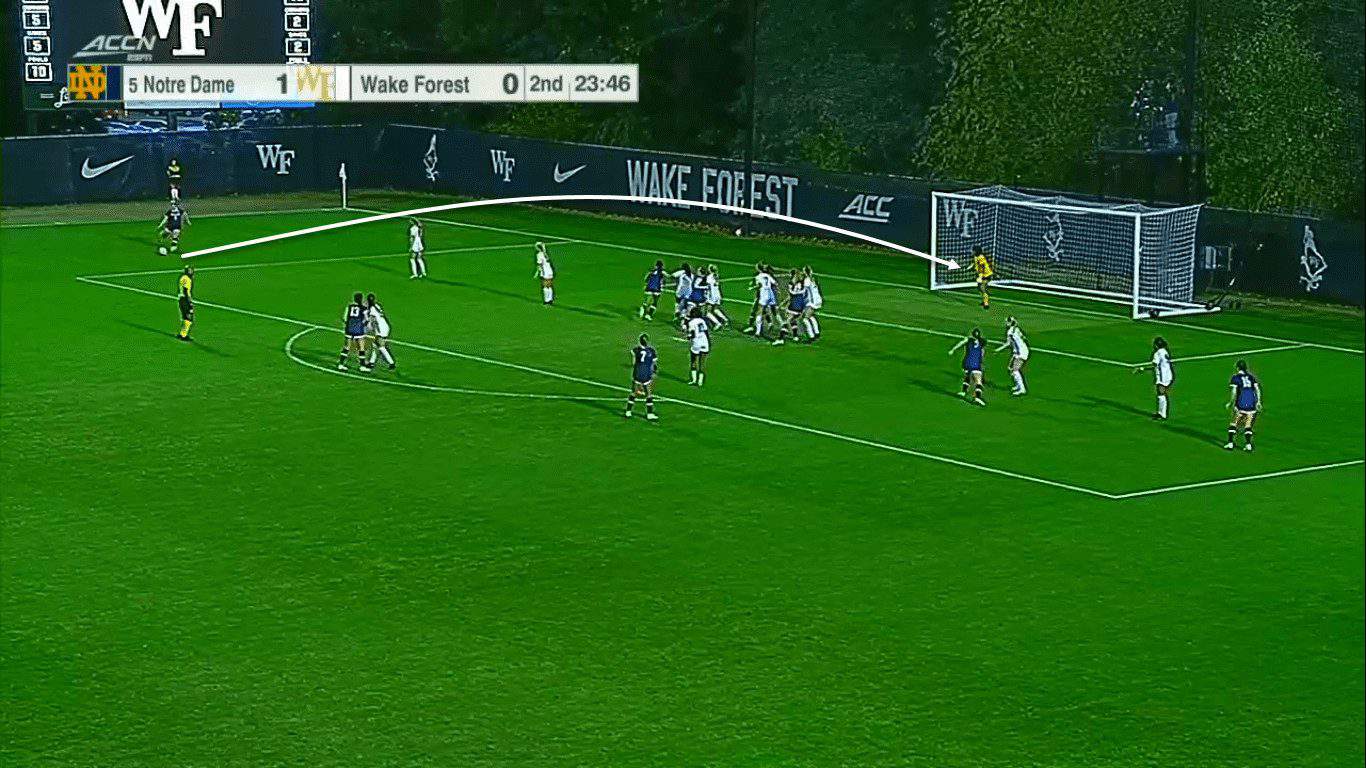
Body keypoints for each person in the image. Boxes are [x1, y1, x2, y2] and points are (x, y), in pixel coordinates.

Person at [1133, 336, 1174, 420]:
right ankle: (1161, 413)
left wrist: (1142, 369)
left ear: (1156, 345)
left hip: (1162, 376)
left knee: (1161, 393)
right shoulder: (1165, 351)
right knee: (1162, 393)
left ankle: (1162, 414)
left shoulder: (1157, 353)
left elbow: (1154, 365)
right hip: (1169, 375)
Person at [1226, 360, 1261, 451]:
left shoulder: (1236, 378)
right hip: (1251, 403)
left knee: (1234, 423)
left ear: (1238, 368)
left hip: (1241, 403)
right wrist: (1258, 402)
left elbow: (1234, 392)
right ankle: (1248, 445)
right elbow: (1257, 389)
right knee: (1248, 425)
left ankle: (1230, 443)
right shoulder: (1251, 377)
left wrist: (1231, 402)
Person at [625, 333, 659, 421]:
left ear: (640, 341)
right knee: (648, 394)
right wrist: (654, 372)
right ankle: (649, 414)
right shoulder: (651, 351)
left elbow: (633, 362)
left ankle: (628, 411)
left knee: (633, 392)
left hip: (637, 372)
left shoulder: (636, 350)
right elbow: (654, 364)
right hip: (646, 373)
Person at [994, 316, 1029, 395]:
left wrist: (998, 349)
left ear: (1010, 323)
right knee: (1010, 368)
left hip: (1021, 353)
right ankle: (1018, 385)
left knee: (1015, 370)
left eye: (1007, 322)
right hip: (1019, 351)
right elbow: (1023, 337)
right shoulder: (1017, 329)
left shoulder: (1010, 332)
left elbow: (1008, 343)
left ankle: (1022, 389)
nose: (1006, 323)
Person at [337, 292, 371, 372]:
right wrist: (363, 325)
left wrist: (349, 325)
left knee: (346, 347)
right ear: (361, 299)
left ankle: (340, 364)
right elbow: (367, 320)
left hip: (349, 329)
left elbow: (344, 318)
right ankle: (362, 366)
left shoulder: (349, 307)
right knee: (361, 348)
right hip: (358, 330)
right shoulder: (363, 308)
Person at [952, 327, 987, 406]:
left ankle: (963, 392)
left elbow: (961, 343)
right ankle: (977, 397)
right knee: (978, 381)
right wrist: (981, 361)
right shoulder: (982, 342)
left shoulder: (968, 340)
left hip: (966, 363)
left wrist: (953, 349)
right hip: (975, 364)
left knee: (968, 376)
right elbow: (982, 352)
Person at [365, 293, 396, 370]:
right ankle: (371, 362)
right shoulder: (377, 305)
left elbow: (372, 320)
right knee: (375, 345)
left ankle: (391, 363)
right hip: (384, 326)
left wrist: (368, 326)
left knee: (381, 346)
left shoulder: (372, 309)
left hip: (381, 329)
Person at [686, 307, 710, 386]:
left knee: (693, 361)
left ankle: (694, 380)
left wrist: (688, 337)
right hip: (705, 342)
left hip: (696, 343)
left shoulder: (691, 322)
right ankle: (700, 381)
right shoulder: (702, 321)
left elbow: (692, 334)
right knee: (702, 363)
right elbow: (706, 332)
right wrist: (708, 342)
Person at [704, 264, 729, 328]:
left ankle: (718, 324)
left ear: (710, 270)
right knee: (715, 309)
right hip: (717, 295)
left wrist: (706, 296)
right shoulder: (716, 275)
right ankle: (726, 320)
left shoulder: (709, 277)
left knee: (708, 313)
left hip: (712, 296)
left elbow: (708, 287)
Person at [802, 266, 823, 341]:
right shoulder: (813, 278)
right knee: (811, 316)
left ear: (805, 272)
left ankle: (811, 336)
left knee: (805, 319)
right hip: (818, 299)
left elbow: (805, 292)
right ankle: (817, 333)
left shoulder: (807, 280)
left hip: (812, 301)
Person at [176, 266, 194, 341]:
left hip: (181, 299)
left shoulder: (182, 277)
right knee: (189, 318)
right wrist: (189, 302)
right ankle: (183, 336)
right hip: (185, 300)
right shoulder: (187, 279)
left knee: (185, 318)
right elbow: (185, 291)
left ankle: (182, 334)